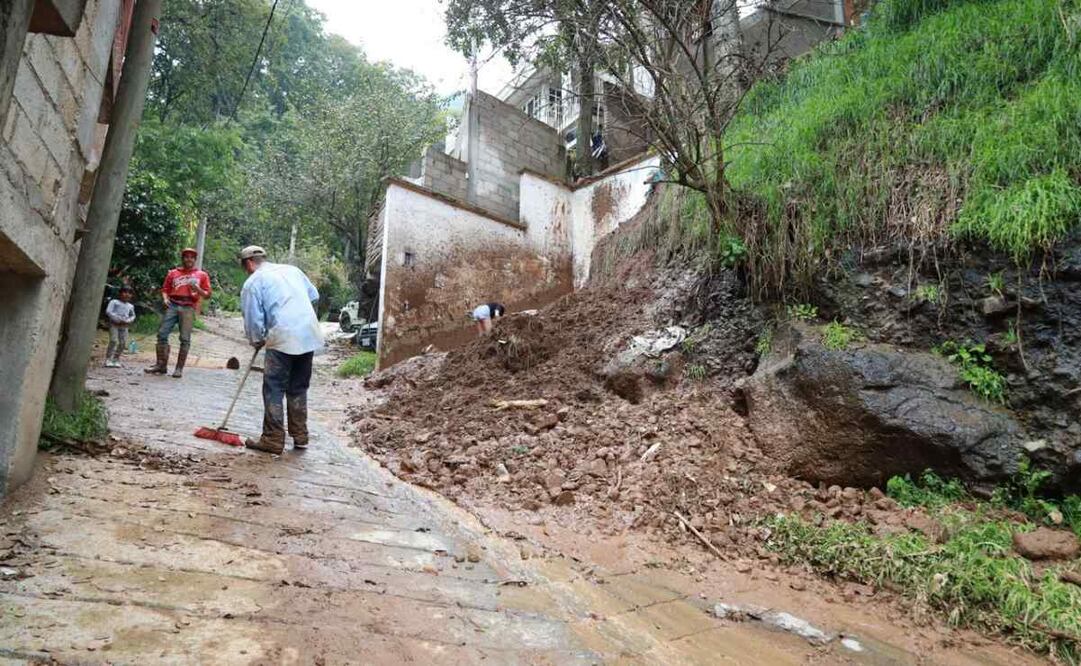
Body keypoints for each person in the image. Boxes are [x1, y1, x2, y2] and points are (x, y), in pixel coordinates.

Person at [238, 245, 323, 454]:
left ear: (248, 263)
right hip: (308, 333)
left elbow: (252, 319)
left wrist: (257, 339)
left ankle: (273, 438)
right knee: (298, 386)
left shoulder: (253, 283)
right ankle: (300, 435)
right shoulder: (292, 270)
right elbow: (314, 295)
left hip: (283, 335)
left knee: (274, 386)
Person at [145, 248, 211, 378]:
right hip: (173, 304)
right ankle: (161, 365)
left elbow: (208, 294)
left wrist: (197, 288)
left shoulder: (201, 275)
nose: (189, 259)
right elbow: (165, 289)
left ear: (195, 260)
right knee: (162, 333)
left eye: (192, 257)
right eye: (186, 256)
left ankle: (179, 368)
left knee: (185, 338)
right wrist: (165, 298)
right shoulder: (173, 273)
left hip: (188, 307)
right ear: (182, 258)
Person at [104, 286, 136, 368]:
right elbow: (108, 311)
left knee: (123, 343)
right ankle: (108, 359)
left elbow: (133, 316)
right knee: (113, 340)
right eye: (125, 292)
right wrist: (117, 319)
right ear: (120, 293)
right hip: (114, 324)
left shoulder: (130, 306)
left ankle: (116, 359)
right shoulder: (114, 302)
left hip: (124, 326)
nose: (127, 295)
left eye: (129, 293)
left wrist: (128, 321)